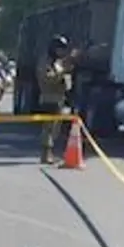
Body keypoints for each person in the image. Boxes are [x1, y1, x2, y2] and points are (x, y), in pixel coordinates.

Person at [38, 35, 76, 164]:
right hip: (49, 98)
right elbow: (47, 78)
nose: (62, 52)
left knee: (55, 129)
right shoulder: (45, 62)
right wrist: (62, 73)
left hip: (59, 98)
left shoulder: (58, 62)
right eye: (60, 49)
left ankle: (50, 153)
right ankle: (45, 154)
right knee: (48, 128)